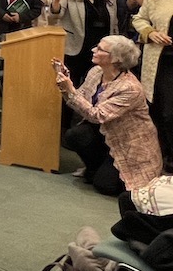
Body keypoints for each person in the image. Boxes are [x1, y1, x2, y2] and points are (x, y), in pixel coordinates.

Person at [55, 35, 163, 196]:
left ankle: (104, 170)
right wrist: (67, 82)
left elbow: (96, 115)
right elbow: (80, 100)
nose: (93, 50)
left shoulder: (130, 88)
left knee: (105, 186)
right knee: (74, 136)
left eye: (100, 49)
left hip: (130, 145)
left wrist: (69, 90)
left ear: (115, 59)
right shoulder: (96, 72)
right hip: (106, 133)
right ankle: (96, 168)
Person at [132, 0, 173, 167]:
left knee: (169, 114)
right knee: (159, 111)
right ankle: (161, 158)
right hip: (159, 60)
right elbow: (139, 18)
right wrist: (149, 32)